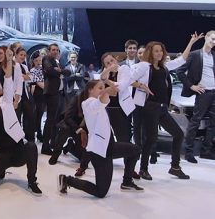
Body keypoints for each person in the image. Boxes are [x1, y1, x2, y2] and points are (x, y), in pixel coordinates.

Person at [131, 32, 203, 180]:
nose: (159, 53)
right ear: (150, 52)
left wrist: (191, 42)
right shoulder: (144, 66)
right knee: (150, 139)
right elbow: (128, 79)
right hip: (149, 107)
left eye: (161, 50)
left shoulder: (165, 67)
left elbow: (182, 59)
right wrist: (141, 86)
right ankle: (143, 169)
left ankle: (175, 167)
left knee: (178, 134)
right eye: (156, 50)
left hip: (162, 108)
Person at [58, 80, 143, 198]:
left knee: (135, 150)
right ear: (90, 90)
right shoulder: (87, 103)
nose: (102, 90)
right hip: (99, 152)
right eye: (100, 88)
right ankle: (68, 180)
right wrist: (107, 90)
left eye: (103, 88)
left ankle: (127, 182)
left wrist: (109, 88)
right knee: (101, 192)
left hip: (110, 146)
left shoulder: (99, 102)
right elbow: (99, 103)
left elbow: (104, 100)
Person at [0, 47, 42, 196]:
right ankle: (1, 168)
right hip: (1, 154)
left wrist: (8, 60)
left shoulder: (6, 105)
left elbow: (8, 81)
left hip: (17, 151)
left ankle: (32, 181)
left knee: (31, 146)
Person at [176, 30, 215, 162]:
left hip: (214, 92)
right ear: (207, 38)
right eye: (212, 39)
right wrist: (192, 86)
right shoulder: (195, 55)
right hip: (203, 93)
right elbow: (180, 71)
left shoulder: (213, 56)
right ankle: (188, 152)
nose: (214, 42)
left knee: (213, 124)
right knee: (195, 121)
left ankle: (206, 151)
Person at [41, 43, 70, 155]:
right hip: (51, 93)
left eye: (57, 50)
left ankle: (52, 143)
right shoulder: (47, 58)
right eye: (53, 50)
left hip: (59, 93)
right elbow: (50, 71)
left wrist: (59, 70)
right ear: (49, 51)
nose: (55, 52)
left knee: (55, 120)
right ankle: (45, 146)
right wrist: (59, 71)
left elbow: (68, 72)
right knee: (50, 120)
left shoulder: (57, 62)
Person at [15, 47, 35, 142]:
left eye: (24, 55)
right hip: (16, 96)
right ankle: (17, 140)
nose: (23, 57)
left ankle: (29, 138)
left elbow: (30, 78)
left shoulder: (25, 66)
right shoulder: (13, 65)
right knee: (17, 118)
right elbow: (19, 78)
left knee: (30, 116)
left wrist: (24, 77)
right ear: (16, 55)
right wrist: (24, 76)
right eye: (21, 55)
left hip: (25, 94)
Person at [29, 51, 45, 142]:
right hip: (37, 94)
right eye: (36, 60)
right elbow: (40, 84)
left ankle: (39, 133)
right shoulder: (32, 71)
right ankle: (37, 133)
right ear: (33, 61)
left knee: (40, 114)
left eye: (40, 60)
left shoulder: (44, 69)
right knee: (37, 115)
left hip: (44, 94)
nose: (39, 62)